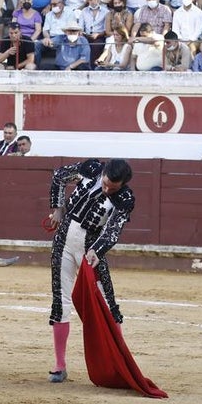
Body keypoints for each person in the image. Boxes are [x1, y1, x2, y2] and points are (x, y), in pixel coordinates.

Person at [46, 158, 135, 383]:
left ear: (122, 185)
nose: (106, 189)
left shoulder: (124, 198)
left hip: (91, 249)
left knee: (107, 304)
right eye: (105, 184)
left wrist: (98, 250)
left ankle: (119, 360)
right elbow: (59, 176)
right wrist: (57, 209)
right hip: (63, 241)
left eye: (112, 188)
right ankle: (59, 365)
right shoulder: (92, 168)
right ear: (103, 172)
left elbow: (113, 230)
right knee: (60, 301)